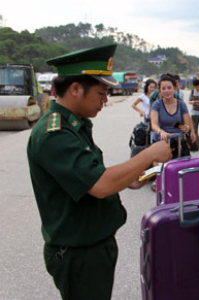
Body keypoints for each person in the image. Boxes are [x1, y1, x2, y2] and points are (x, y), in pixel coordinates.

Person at [26, 44, 172, 300]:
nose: (106, 99)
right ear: (75, 89)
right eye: (102, 92)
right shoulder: (55, 134)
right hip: (79, 254)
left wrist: (132, 178)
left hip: (93, 247)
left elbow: (89, 175)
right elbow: (100, 184)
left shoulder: (75, 125)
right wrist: (149, 154)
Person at [150, 74, 196, 191]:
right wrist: (161, 131)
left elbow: (186, 123)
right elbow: (154, 124)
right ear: (159, 91)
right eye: (163, 88)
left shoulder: (181, 105)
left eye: (169, 88)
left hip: (177, 136)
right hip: (162, 136)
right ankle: (158, 178)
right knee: (157, 147)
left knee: (185, 158)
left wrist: (187, 131)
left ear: (175, 88)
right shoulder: (157, 105)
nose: (166, 91)